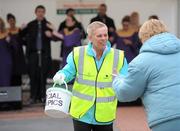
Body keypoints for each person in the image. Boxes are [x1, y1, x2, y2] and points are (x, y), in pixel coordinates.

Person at [53, 21, 128, 131]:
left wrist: (120, 79)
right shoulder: (78, 53)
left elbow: (127, 80)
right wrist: (61, 75)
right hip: (81, 113)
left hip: (105, 114)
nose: (103, 38)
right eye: (99, 36)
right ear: (90, 37)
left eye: (105, 35)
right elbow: (68, 71)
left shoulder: (118, 56)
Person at [112, 19, 180, 131]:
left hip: (165, 120)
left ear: (143, 37)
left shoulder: (141, 61)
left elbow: (125, 94)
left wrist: (117, 78)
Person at [19, 5, 53, 104]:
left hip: (44, 54)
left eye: (42, 11)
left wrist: (51, 33)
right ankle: (33, 97)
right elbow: (21, 37)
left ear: (44, 13)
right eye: (39, 11)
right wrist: (21, 29)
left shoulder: (48, 24)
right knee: (33, 75)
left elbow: (54, 36)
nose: (40, 13)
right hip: (33, 54)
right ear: (35, 12)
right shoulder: (30, 24)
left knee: (43, 75)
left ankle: (43, 96)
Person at [6, 13, 27, 86]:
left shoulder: (19, 30)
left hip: (19, 56)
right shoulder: (6, 31)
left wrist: (23, 32)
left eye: (13, 20)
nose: (12, 22)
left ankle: (18, 93)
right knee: (11, 75)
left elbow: (24, 42)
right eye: (10, 20)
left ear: (15, 21)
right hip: (10, 56)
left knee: (18, 75)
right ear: (8, 22)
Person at [0, 17, 12, 87]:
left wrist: (9, 40)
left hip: (5, 61)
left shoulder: (7, 34)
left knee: (5, 80)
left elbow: (13, 47)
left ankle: (5, 97)